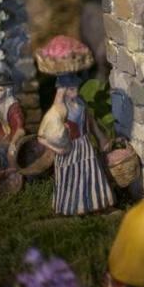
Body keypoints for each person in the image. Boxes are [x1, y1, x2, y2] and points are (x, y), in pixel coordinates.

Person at [38, 73, 114, 215]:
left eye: (76, 87)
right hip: (69, 150)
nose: (76, 91)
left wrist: (100, 138)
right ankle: (71, 208)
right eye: (72, 89)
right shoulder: (57, 111)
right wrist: (56, 148)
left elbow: (90, 122)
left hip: (84, 146)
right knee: (71, 178)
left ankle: (95, 204)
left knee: (91, 174)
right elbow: (41, 137)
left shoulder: (80, 103)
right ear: (63, 90)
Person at [0, 73, 25, 174]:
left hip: (12, 136)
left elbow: (20, 130)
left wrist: (13, 142)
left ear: (8, 91)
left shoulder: (13, 107)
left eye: (1, 90)